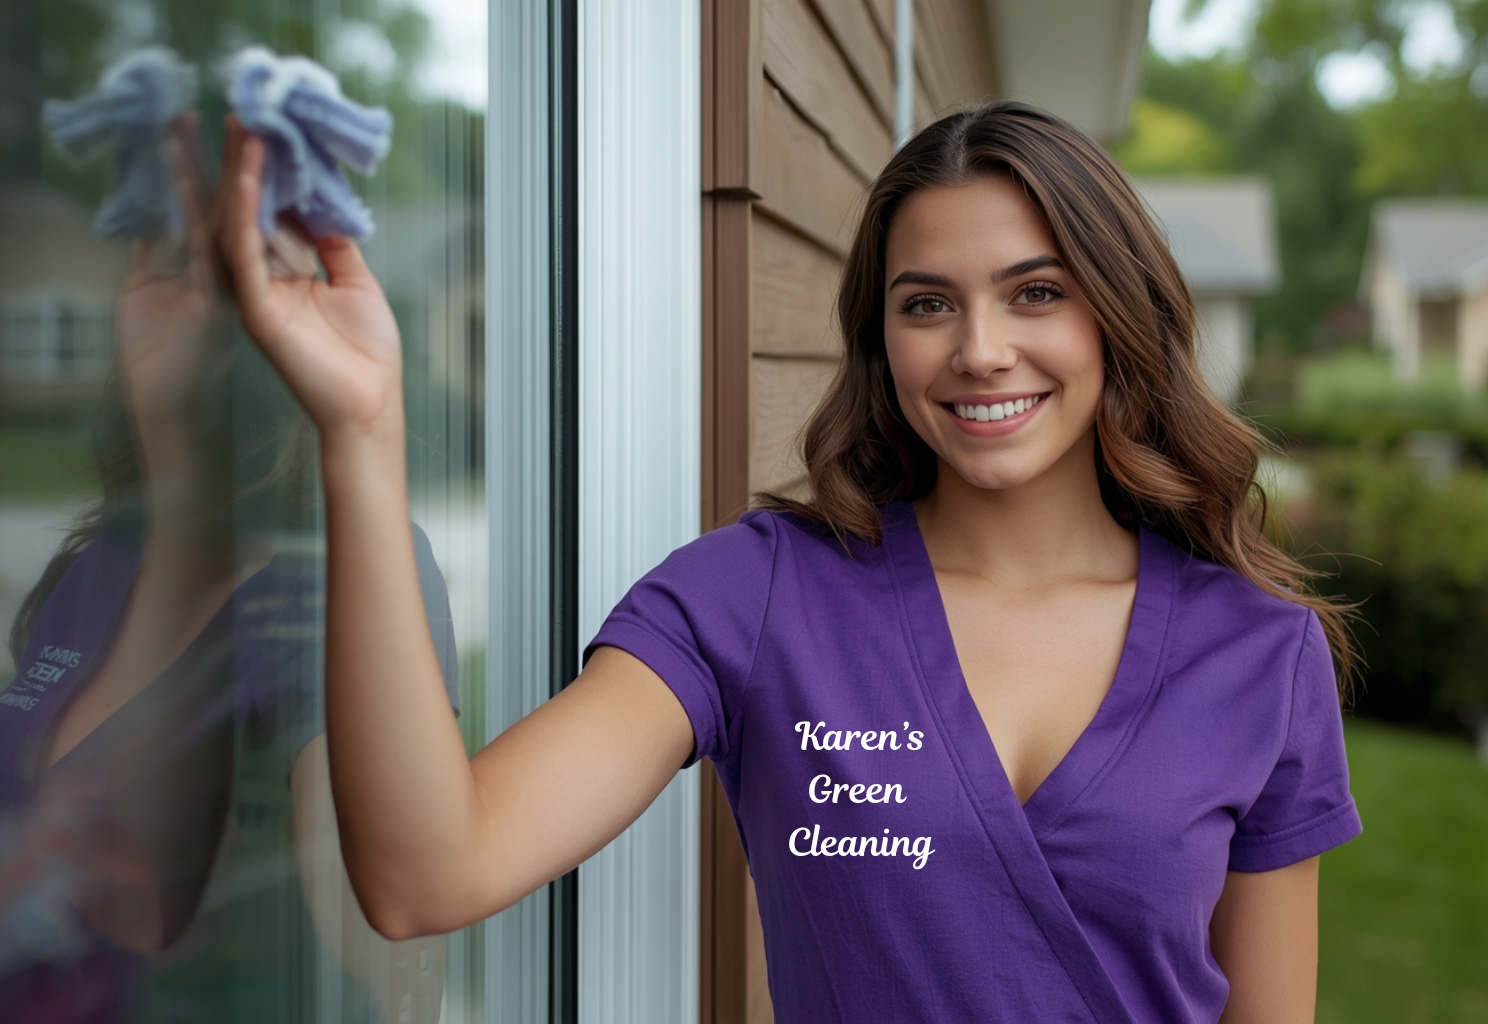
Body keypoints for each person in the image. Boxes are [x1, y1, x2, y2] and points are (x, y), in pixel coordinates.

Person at [217, 101, 1361, 1022]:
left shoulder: (1261, 652)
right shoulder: (758, 595)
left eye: (1037, 292)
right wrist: (363, 436)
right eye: (928, 304)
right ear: (882, 341)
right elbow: (428, 872)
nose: (979, 349)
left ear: (1118, 314)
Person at [0, 114, 454, 1024]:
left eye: (248, 259)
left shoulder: (336, 577)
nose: (204, 297)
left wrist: (359, 430)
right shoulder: (95, 567)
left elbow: (391, 942)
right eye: (169, 253)